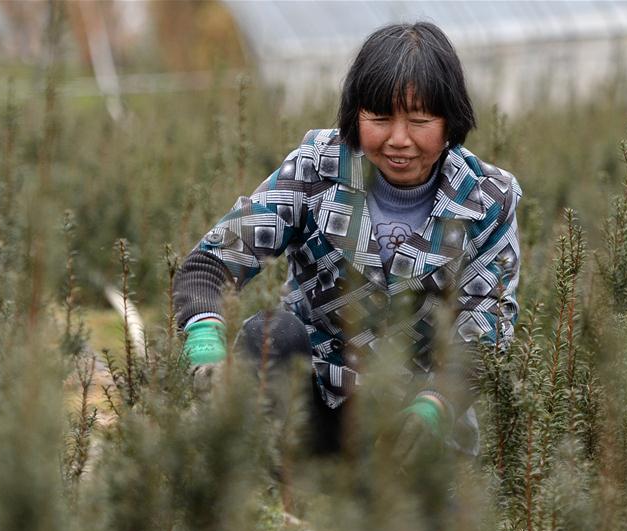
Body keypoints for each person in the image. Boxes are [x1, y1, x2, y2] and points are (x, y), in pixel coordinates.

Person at [173, 22, 521, 463]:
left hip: (415, 421)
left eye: (419, 121)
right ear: (355, 116)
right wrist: (205, 339)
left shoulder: (486, 200)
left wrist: (435, 407)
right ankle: (277, 475)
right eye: (380, 119)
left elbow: (485, 330)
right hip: (316, 402)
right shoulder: (315, 171)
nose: (399, 140)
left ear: (450, 120)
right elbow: (210, 265)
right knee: (270, 335)